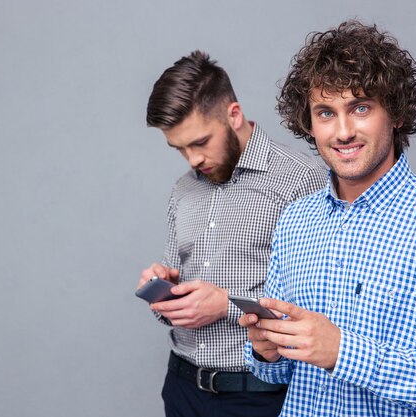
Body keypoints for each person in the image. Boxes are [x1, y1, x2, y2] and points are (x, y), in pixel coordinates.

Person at [240, 20, 416, 417]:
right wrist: (268, 352)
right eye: (325, 113)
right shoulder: (296, 222)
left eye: (360, 107)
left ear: (396, 113)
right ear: (309, 124)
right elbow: (283, 375)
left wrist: (345, 353)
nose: (343, 131)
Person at [137, 50, 327, 417]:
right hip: (181, 387)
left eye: (200, 142)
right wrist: (164, 290)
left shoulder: (301, 179)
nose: (192, 159)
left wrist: (224, 304)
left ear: (233, 115)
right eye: (179, 149)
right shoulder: (183, 190)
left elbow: (322, 304)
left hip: (259, 396)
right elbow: (178, 286)